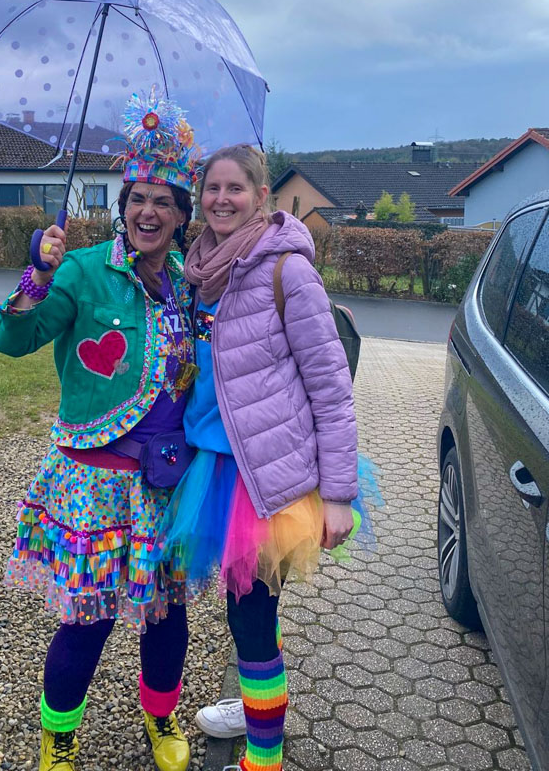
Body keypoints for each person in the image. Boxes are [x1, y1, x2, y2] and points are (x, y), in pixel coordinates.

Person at [0, 91, 201, 771]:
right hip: (96, 483)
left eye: (163, 201)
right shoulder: (81, 270)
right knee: (88, 618)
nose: (148, 212)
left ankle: (161, 717)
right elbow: (11, 339)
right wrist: (38, 274)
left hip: (169, 484)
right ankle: (58, 737)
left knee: (167, 614)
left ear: (182, 214)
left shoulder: (188, 283)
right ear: (122, 205)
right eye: (138, 198)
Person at [157, 144, 362, 771]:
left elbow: (331, 386)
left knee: (249, 619)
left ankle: (263, 757)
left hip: (266, 480)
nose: (222, 199)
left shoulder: (286, 271)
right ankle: (257, 707)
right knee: (247, 612)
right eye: (212, 188)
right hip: (212, 467)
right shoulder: (198, 270)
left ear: (260, 196)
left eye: (235, 188)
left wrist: (338, 495)